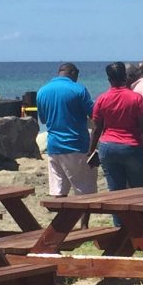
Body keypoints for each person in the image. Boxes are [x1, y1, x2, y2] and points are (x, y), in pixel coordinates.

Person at [89, 63, 143, 215]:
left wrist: (91, 150)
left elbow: (96, 128)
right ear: (125, 77)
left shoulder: (102, 99)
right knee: (140, 193)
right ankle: (142, 228)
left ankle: (120, 228)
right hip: (132, 146)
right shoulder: (136, 98)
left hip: (108, 146)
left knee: (116, 194)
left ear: (109, 79)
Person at [35, 62, 96, 200]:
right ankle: (83, 222)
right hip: (76, 145)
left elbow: (43, 120)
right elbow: (94, 115)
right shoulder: (78, 89)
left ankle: (62, 220)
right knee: (85, 191)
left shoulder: (42, 91)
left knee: (59, 190)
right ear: (73, 73)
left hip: (54, 146)